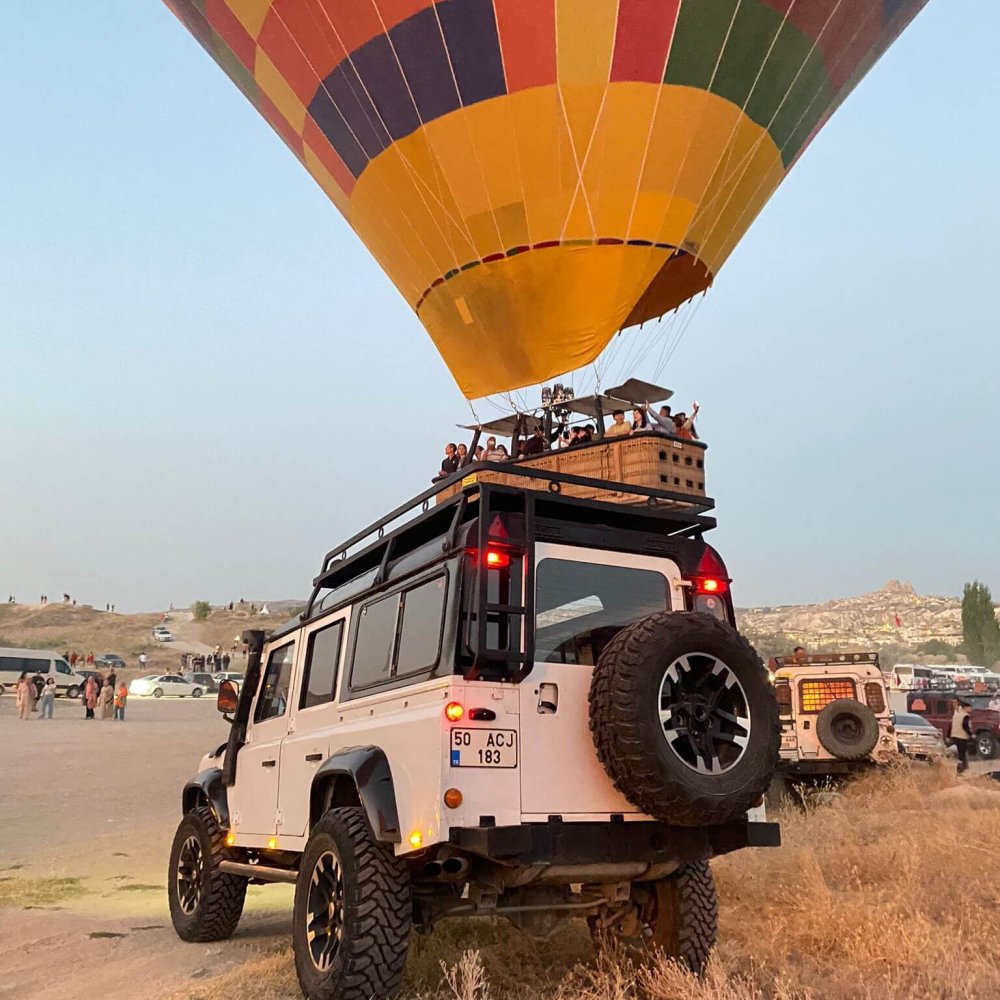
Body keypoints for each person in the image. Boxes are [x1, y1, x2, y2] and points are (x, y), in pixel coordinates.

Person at [951, 699, 973, 774]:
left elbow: (951, 725)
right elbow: (965, 726)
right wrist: (971, 734)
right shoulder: (965, 715)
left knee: (962, 753)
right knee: (962, 753)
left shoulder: (957, 713)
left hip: (955, 736)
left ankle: (964, 768)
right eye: (970, 707)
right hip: (962, 736)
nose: (971, 709)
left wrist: (948, 736)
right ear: (965, 708)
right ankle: (960, 769)